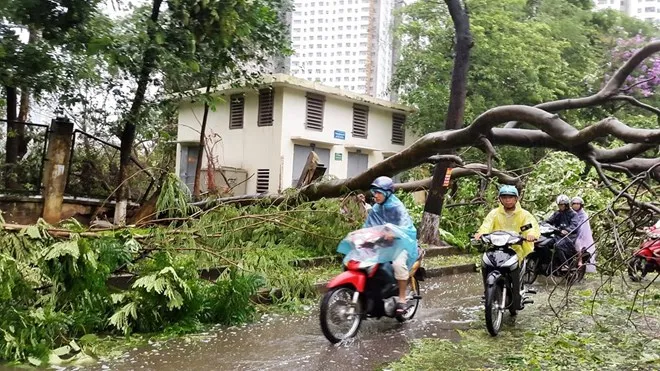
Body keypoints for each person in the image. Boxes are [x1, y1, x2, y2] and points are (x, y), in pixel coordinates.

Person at [474, 185, 539, 310]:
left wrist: (531, 235)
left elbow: (530, 226)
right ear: (500, 199)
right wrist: (481, 233)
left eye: (511, 197)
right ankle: (488, 291)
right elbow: (486, 225)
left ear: (516, 199)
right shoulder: (494, 213)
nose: (508, 200)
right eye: (504, 197)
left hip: (516, 248)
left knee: (517, 265)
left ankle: (517, 294)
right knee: (485, 263)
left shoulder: (524, 215)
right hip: (496, 248)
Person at [363, 176, 418, 314]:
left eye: (379, 192)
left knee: (398, 264)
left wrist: (394, 234)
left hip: (401, 244)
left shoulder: (397, 207)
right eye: (375, 192)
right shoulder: (376, 209)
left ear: (387, 193)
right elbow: (368, 226)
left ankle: (402, 299)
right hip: (383, 244)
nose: (376, 195)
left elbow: (406, 228)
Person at [545, 195, 579, 270]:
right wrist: (542, 224)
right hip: (557, 235)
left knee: (558, 245)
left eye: (562, 205)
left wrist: (567, 230)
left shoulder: (573, 214)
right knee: (544, 243)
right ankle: (547, 262)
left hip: (569, 237)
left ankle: (565, 265)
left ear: (566, 205)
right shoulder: (557, 213)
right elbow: (549, 221)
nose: (561, 206)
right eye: (559, 205)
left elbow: (574, 225)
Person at [571, 196, 596, 273]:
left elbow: (582, 227)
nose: (576, 205)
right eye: (574, 203)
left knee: (578, 244)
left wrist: (574, 232)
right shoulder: (570, 213)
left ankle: (580, 261)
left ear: (581, 205)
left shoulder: (583, 215)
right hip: (570, 232)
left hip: (582, 235)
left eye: (578, 204)